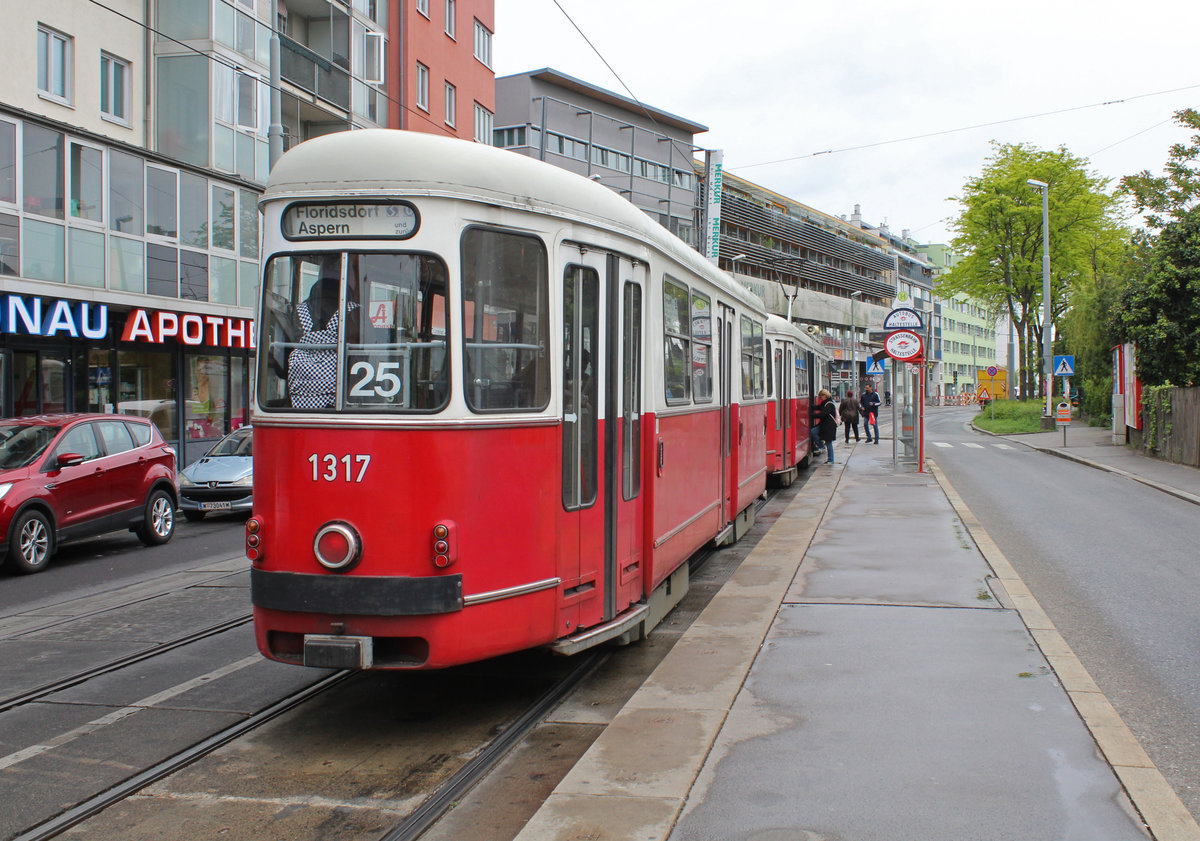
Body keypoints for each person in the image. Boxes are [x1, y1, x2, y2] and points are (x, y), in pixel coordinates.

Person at [817, 388, 839, 464]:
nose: (820, 398)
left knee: (829, 442)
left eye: (821, 396)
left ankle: (831, 459)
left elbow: (824, 414)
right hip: (826, 426)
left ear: (825, 396)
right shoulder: (826, 403)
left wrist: (813, 415)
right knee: (814, 432)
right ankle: (822, 447)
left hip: (829, 427)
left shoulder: (829, 404)